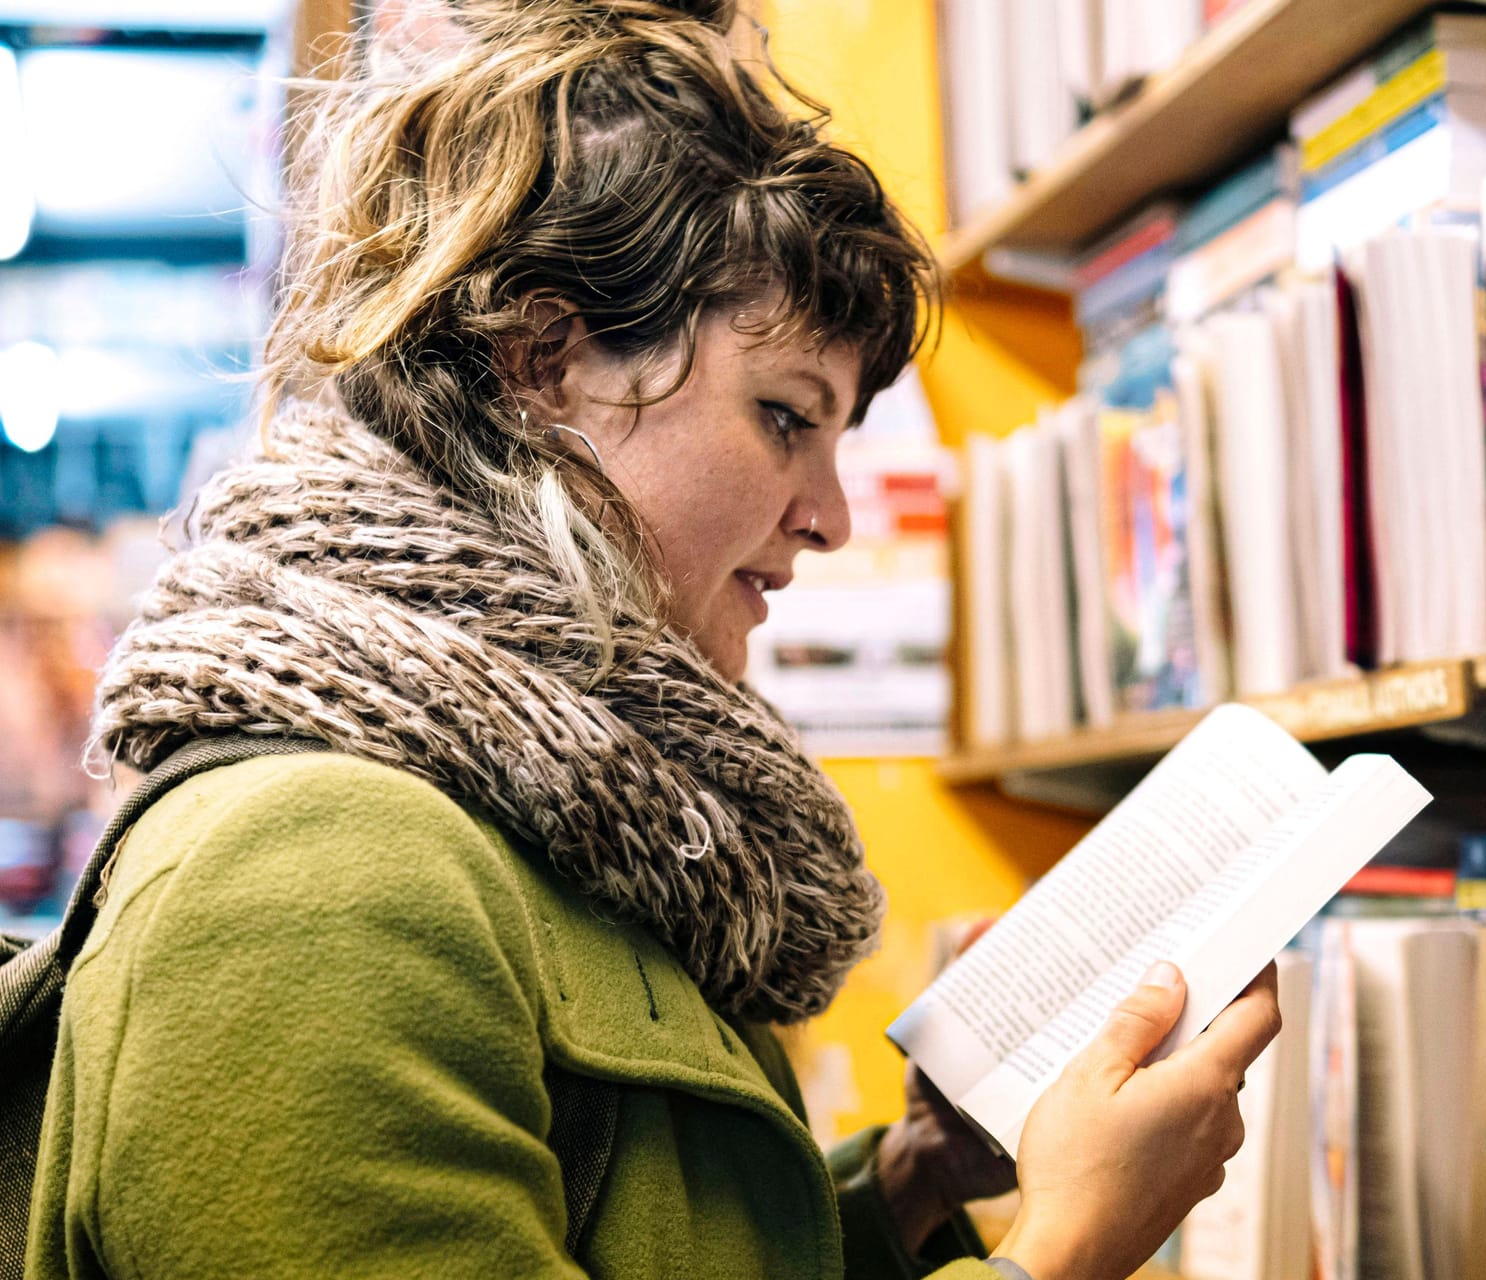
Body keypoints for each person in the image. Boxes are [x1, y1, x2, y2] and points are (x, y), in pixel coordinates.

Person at [23, 3, 1282, 1278]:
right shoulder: (313, 877)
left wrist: (909, 1185)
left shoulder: (552, 799)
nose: (833, 515)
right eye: (787, 416)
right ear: (545, 360)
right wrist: (1066, 1245)